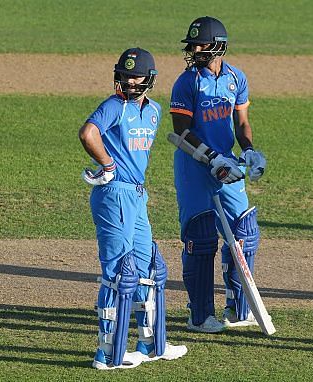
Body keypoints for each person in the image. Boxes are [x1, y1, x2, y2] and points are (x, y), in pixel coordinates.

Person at [79, 47, 187, 369]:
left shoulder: (153, 111)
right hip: (114, 194)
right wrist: (108, 164)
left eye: (136, 75)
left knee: (148, 268)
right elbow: (88, 133)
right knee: (117, 274)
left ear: (149, 79)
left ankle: (151, 344)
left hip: (137, 196)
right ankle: (107, 354)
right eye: (125, 75)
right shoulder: (114, 106)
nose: (129, 80)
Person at [169, 16, 267, 333]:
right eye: (192, 45)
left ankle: (239, 310)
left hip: (229, 166)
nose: (194, 50)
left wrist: (249, 149)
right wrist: (211, 158)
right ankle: (199, 315)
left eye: (201, 44)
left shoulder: (235, 79)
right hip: (195, 167)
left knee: (244, 232)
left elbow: (241, 123)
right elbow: (180, 132)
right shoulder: (187, 82)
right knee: (201, 237)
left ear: (219, 46)